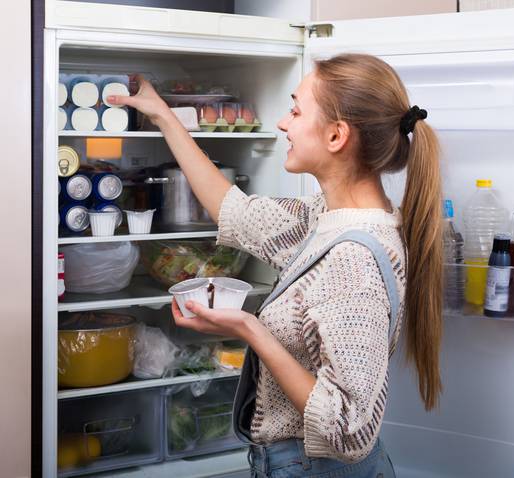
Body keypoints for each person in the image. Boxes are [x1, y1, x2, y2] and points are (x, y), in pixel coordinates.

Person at [108, 53, 442, 477]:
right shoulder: (323, 217)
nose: (283, 123)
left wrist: (249, 329)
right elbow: (237, 213)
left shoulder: (353, 261)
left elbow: (350, 433)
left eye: (297, 111)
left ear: (337, 136)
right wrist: (162, 115)